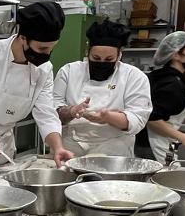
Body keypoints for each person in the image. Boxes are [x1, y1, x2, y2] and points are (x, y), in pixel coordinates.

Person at [0, 2, 75, 176]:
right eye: (42, 48)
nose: (46, 55)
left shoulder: (44, 69)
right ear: (23, 38)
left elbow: (46, 112)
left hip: (4, 146)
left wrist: (57, 147)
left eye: (51, 49)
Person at [54, 19, 152, 157]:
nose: (101, 63)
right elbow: (52, 111)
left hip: (113, 149)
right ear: (88, 52)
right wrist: (71, 111)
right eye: (96, 58)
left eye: (108, 59)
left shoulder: (134, 77)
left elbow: (138, 118)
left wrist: (108, 117)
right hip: (70, 147)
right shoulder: (69, 71)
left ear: (119, 55)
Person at [144, 30, 185, 162]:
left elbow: (167, 112)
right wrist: (182, 137)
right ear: (176, 55)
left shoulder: (171, 77)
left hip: (162, 142)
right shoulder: (171, 84)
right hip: (152, 146)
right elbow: (152, 120)